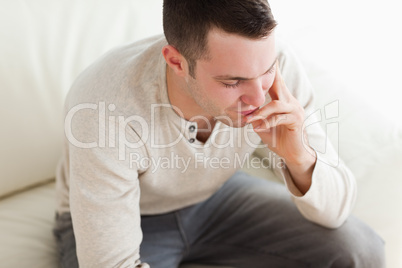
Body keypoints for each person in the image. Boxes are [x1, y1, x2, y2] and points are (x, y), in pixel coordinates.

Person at [52, 0, 385, 267]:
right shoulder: (105, 108)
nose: (258, 98)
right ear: (177, 62)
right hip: (128, 214)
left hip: (215, 198)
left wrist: (298, 157)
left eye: (266, 71)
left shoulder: (275, 65)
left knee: (360, 250)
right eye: (232, 82)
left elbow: (336, 211)